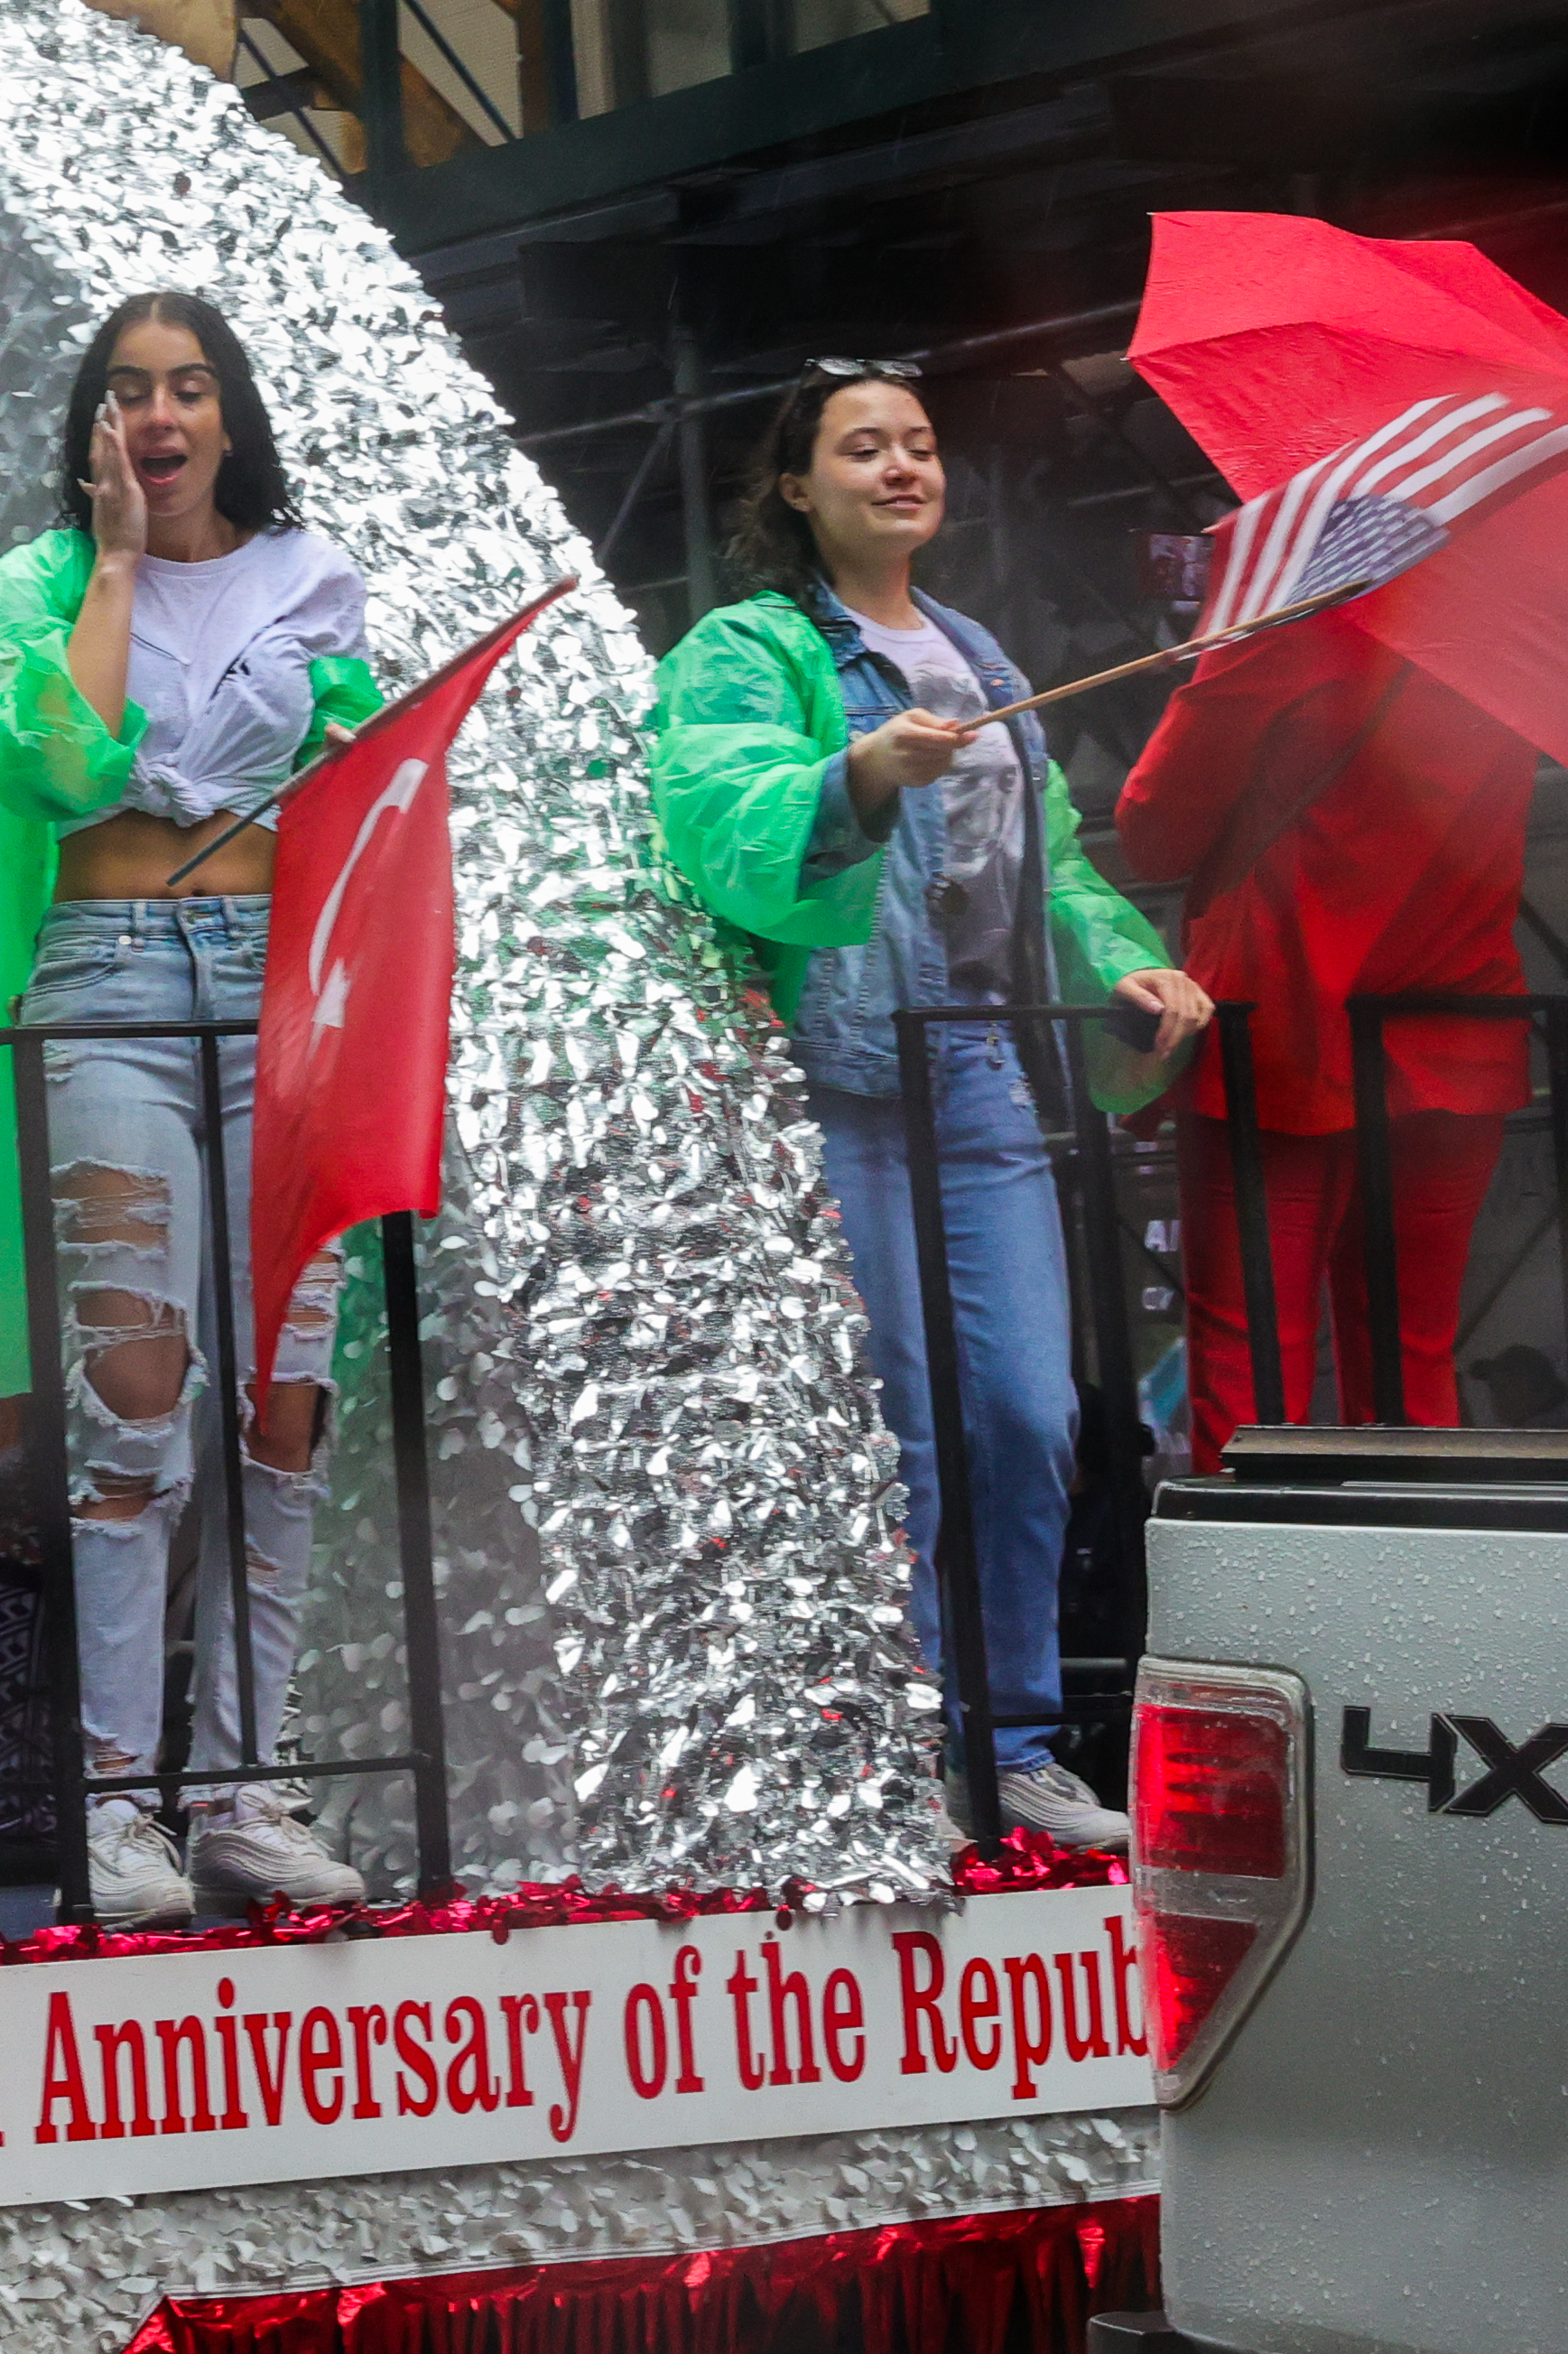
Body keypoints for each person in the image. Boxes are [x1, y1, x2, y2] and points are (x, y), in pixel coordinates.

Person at [650, 363, 1212, 1852]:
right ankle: (889, 1757)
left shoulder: (977, 653)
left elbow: (1053, 867)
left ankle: (1008, 1747)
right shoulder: (748, 647)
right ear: (795, 485)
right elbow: (712, 813)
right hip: (832, 1075)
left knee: (1027, 1416)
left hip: (976, 1077)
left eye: (917, 442)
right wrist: (852, 776)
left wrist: (1123, 963)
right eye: (863, 446)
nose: (901, 465)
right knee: (890, 1426)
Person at [0, 292, 379, 1925]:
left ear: (230, 414)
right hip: (105, 978)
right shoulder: (26, 592)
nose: (160, 415)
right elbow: (57, 765)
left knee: (282, 1402)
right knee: (131, 1397)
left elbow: (360, 788)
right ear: (91, 427)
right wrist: (116, 566)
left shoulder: (312, 578)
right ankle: (119, 1800)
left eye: (189, 387)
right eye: (127, 391)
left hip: (278, 996)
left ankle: (247, 1793)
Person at [1116, 621, 1536, 1456]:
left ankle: (1253, 1551)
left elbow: (1151, 834)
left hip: (1280, 1036)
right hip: (1456, 1033)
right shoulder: (1513, 634)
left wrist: (1209, 680)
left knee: (1250, 1381)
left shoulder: (1289, 623)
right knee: (1411, 1373)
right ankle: (1417, 1544)